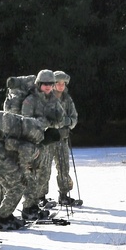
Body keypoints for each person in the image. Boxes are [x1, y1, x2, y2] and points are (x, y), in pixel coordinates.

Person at [20, 71, 66, 222]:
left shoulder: (53, 100)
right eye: (45, 84)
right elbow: (25, 122)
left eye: (51, 84)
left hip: (45, 143)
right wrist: (45, 121)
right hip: (30, 143)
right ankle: (29, 205)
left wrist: (55, 121)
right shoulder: (30, 100)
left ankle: (37, 202)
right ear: (39, 84)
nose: (48, 87)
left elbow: (61, 120)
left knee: (44, 173)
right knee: (30, 175)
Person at [51, 71, 79, 206]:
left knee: (63, 167)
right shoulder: (46, 98)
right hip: (47, 139)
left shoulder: (67, 99)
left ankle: (63, 194)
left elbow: (74, 117)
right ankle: (39, 197)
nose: (61, 86)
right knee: (42, 169)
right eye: (58, 83)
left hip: (62, 138)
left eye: (63, 83)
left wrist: (69, 123)